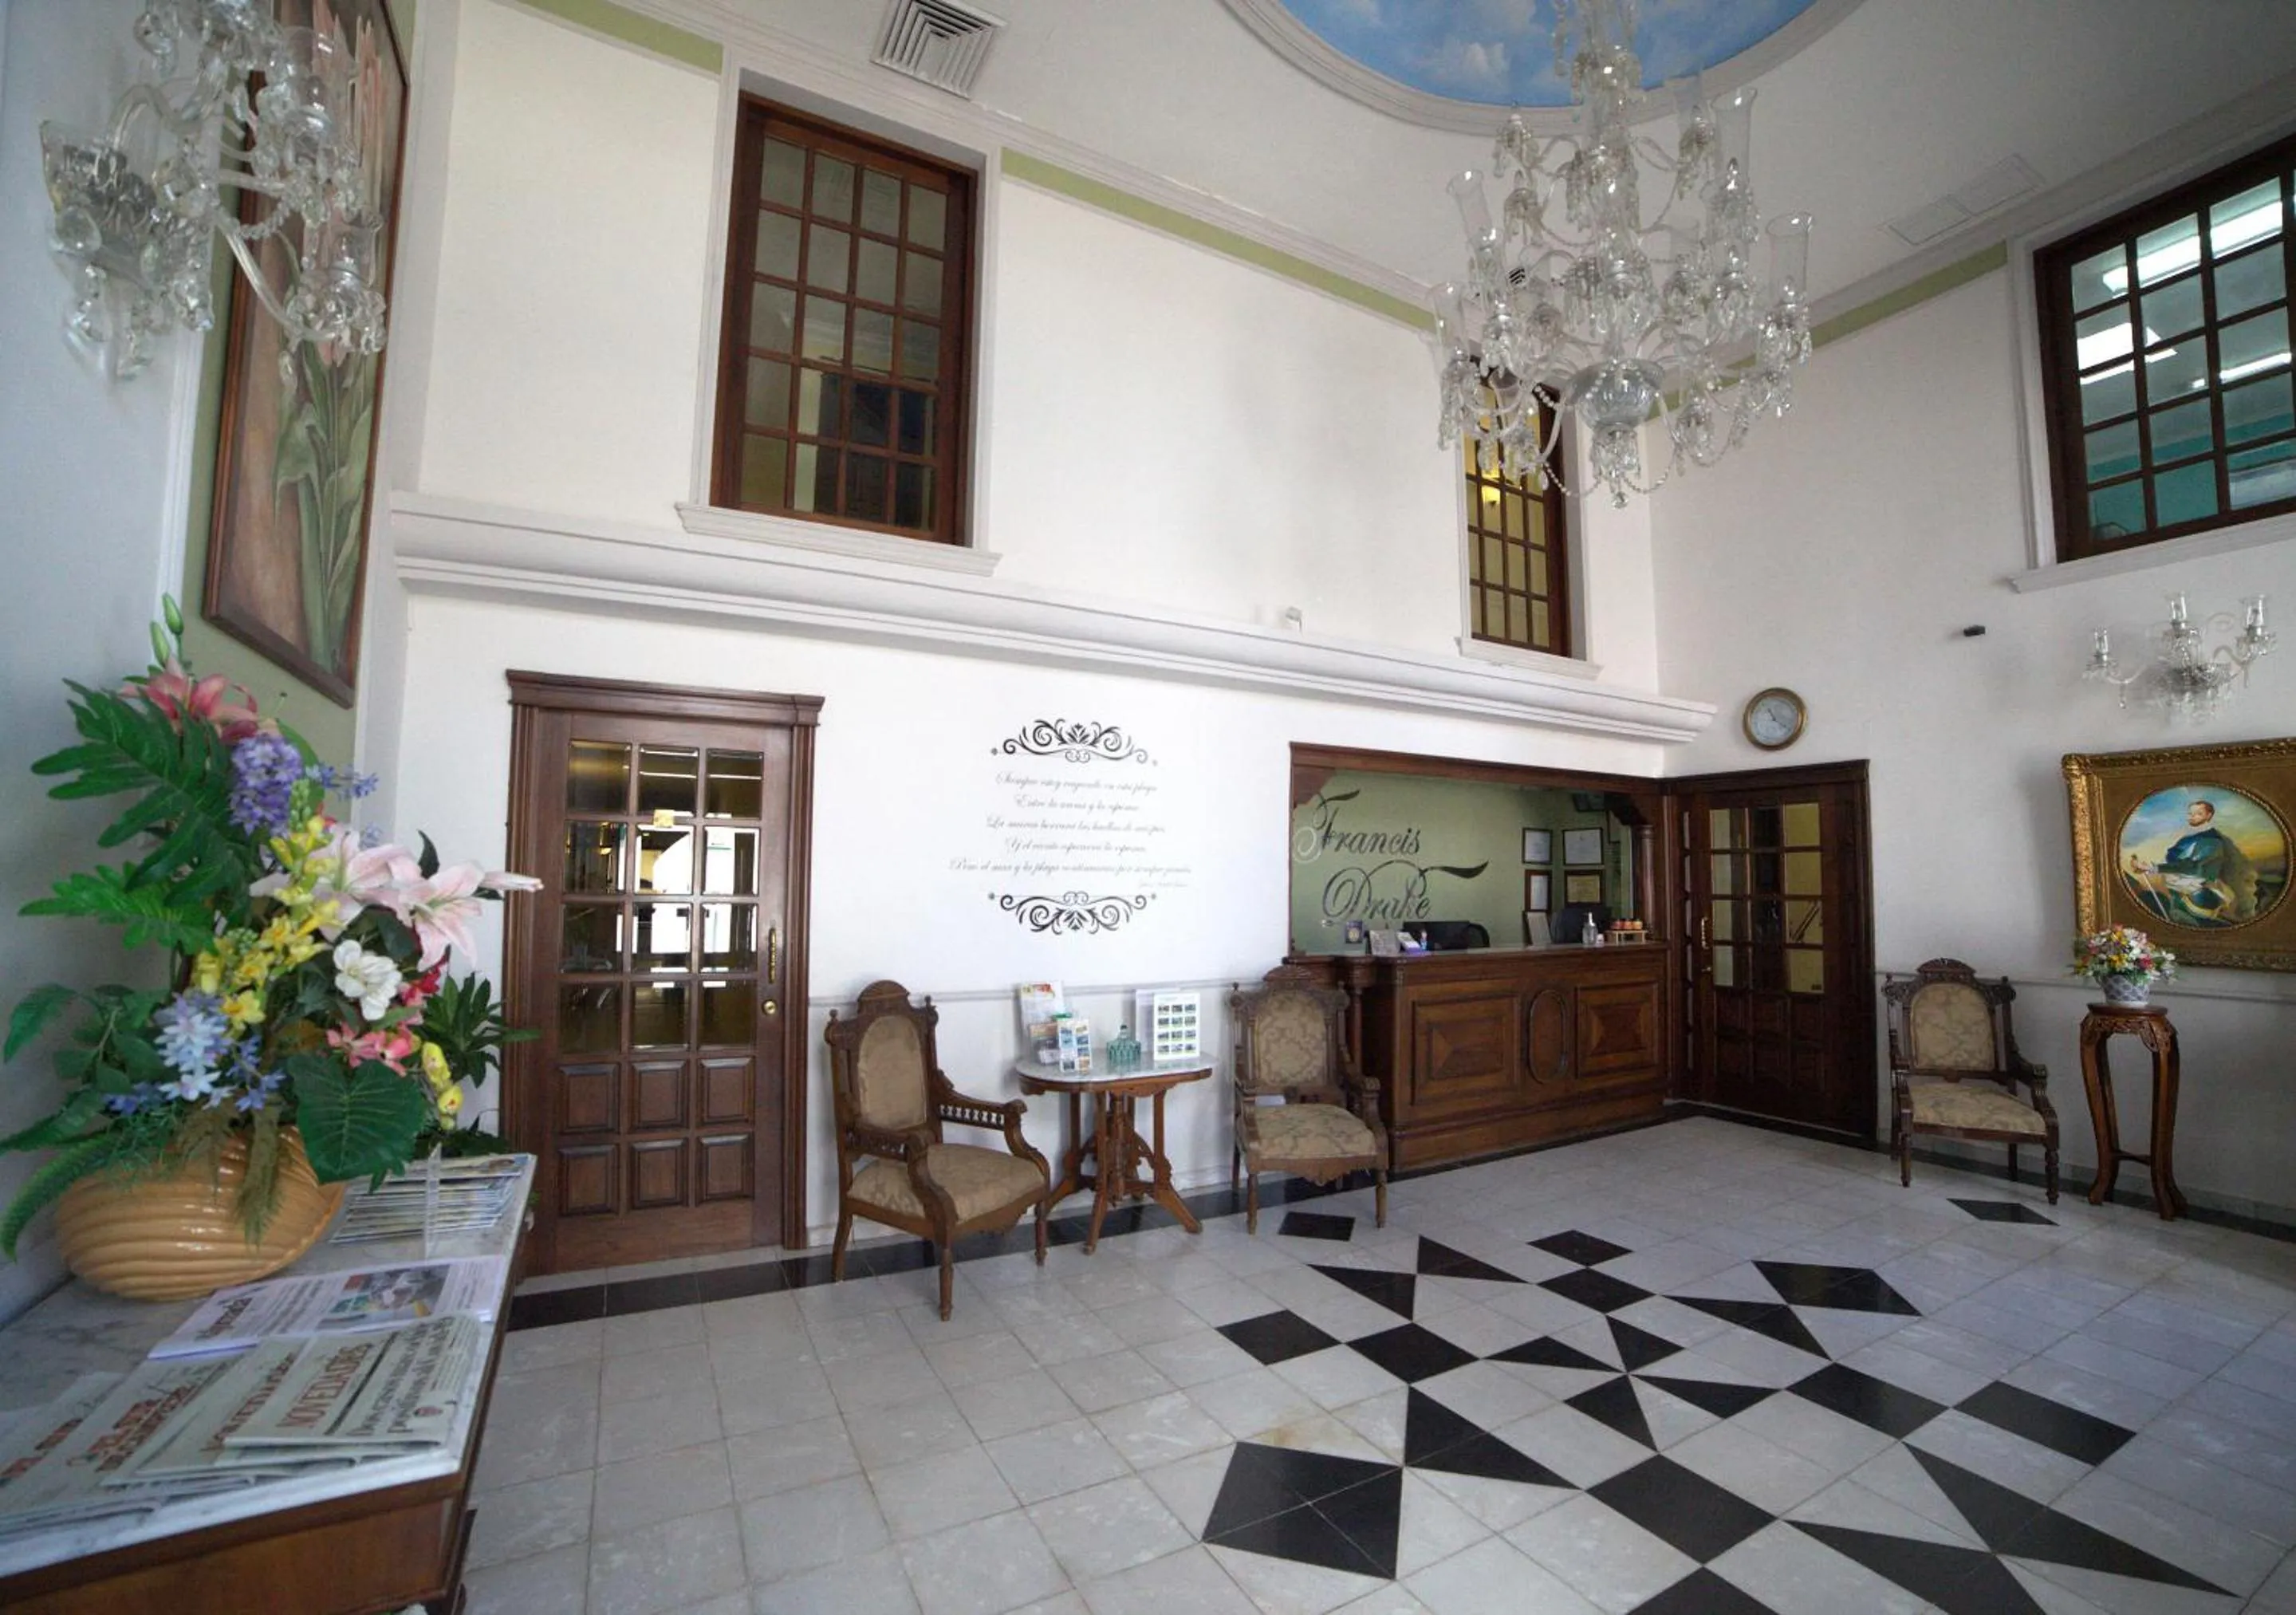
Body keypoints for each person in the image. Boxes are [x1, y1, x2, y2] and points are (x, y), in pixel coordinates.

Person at [2129, 799, 2256, 927]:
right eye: (2190, 814)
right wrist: (2147, 868)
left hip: (2196, 897)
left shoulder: (2211, 840)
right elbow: (2174, 859)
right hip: (2180, 893)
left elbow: (2190, 866)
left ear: (2209, 816)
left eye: (2198, 814)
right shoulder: (2191, 837)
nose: (2192, 817)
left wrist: (2152, 868)